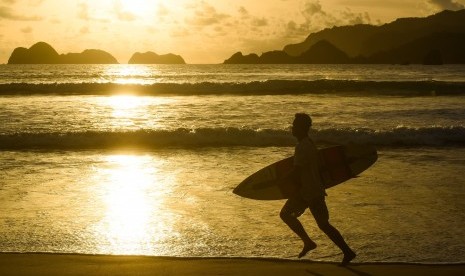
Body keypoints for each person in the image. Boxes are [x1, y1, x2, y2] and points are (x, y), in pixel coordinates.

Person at [280, 113, 356, 265]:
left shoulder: (303, 147)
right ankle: (345, 251)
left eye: (295, 125)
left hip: (310, 192)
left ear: (302, 128)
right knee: (321, 224)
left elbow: (297, 171)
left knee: (289, 215)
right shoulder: (308, 143)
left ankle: (312, 243)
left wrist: (282, 180)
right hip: (310, 190)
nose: (292, 127)